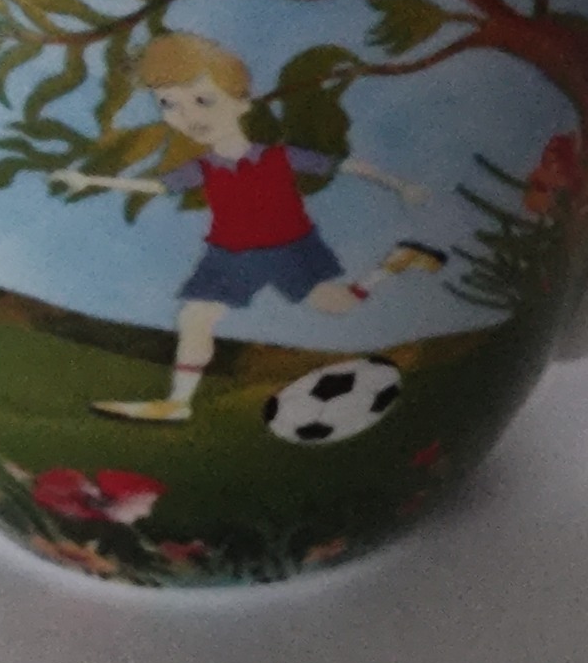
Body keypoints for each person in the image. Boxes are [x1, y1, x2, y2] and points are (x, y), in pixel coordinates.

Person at [54, 31, 443, 422]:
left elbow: (342, 165)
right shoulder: (203, 168)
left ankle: (395, 263)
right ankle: (177, 403)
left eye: (203, 100)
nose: (188, 116)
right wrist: (89, 181)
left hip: (289, 248)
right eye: (168, 104)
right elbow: (157, 186)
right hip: (229, 253)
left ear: (242, 103)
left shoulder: (279, 157)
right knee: (194, 317)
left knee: (337, 304)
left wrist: (399, 185)